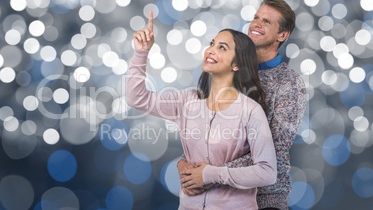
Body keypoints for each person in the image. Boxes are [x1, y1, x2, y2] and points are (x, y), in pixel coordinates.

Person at [127, 10, 277, 210]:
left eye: (222, 47)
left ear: (237, 65)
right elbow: (136, 98)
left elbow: (267, 172)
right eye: (212, 44)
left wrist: (210, 174)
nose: (211, 50)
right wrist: (141, 52)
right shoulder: (188, 101)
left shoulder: (251, 111)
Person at [177, 0, 307, 209]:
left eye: (266, 22)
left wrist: (208, 173)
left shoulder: (289, 84)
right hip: (215, 197)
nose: (256, 24)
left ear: (282, 35)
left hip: (265, 199)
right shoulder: (226, 70)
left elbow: (273, 147)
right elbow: (208, 131)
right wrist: (185, 164)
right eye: (256, 17)